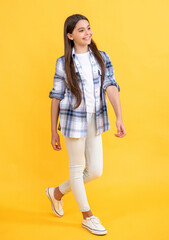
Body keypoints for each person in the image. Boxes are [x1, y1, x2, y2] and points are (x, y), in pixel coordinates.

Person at [46, 14, 126, 236]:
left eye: (88, 28)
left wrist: (119, 116)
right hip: (72, 122)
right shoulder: (63, 63)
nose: (87, 33)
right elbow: (56, 97)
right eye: (81, 30)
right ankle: (87, 216)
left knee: (96, 170)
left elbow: (111, 86)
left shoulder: (101, 57)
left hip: (95, 118)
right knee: (76, 168)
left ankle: (57, 193)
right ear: (70, 36)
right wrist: (53, 130)